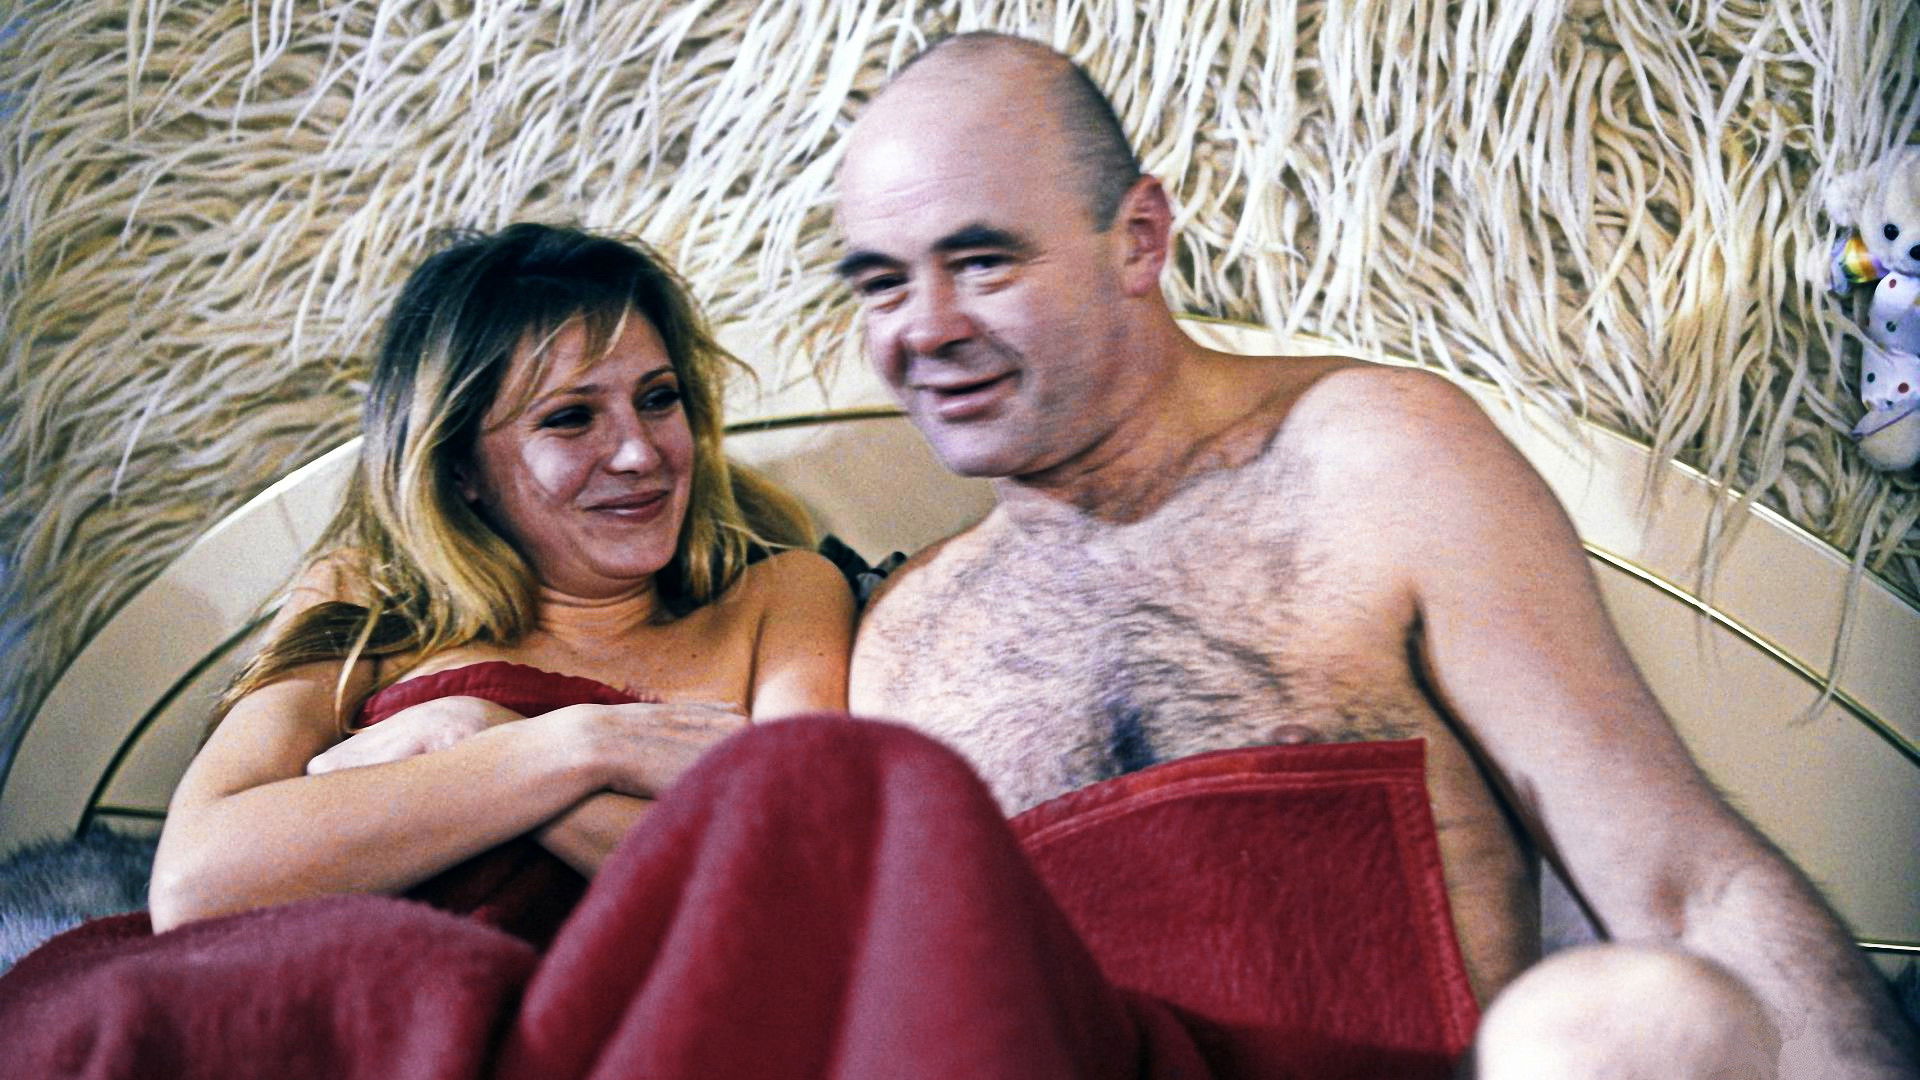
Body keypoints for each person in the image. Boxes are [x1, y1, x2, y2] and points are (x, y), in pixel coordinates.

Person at [836, 32, 1918, 1078]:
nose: (924, 329)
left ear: (1140, 239)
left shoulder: (1371, 457)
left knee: (1643, 1018)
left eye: (982, 262)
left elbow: (1684, 887)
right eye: (881, 283)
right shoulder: (907, 644)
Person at [141, 221, 855, 930]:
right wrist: (579, 748)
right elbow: (195, 884)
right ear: (461, 468)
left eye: (658, 398)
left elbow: (803, 899)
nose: (640, 454)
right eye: (571, 417)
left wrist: (483, 734)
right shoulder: (363, 594)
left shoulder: (780, 596)